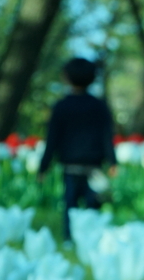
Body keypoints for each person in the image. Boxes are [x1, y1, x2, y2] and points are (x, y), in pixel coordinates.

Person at [38, 58, 115, 240]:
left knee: (70, 205)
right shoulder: (99, 106)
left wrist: (44, 166)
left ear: (66, 78)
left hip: (70, 166)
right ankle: (92, 238)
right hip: (94, 166)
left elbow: (52, 139)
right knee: (92, 205)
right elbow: (107, 136)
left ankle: (69, 238)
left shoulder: (61, 106)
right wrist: (112, 161)